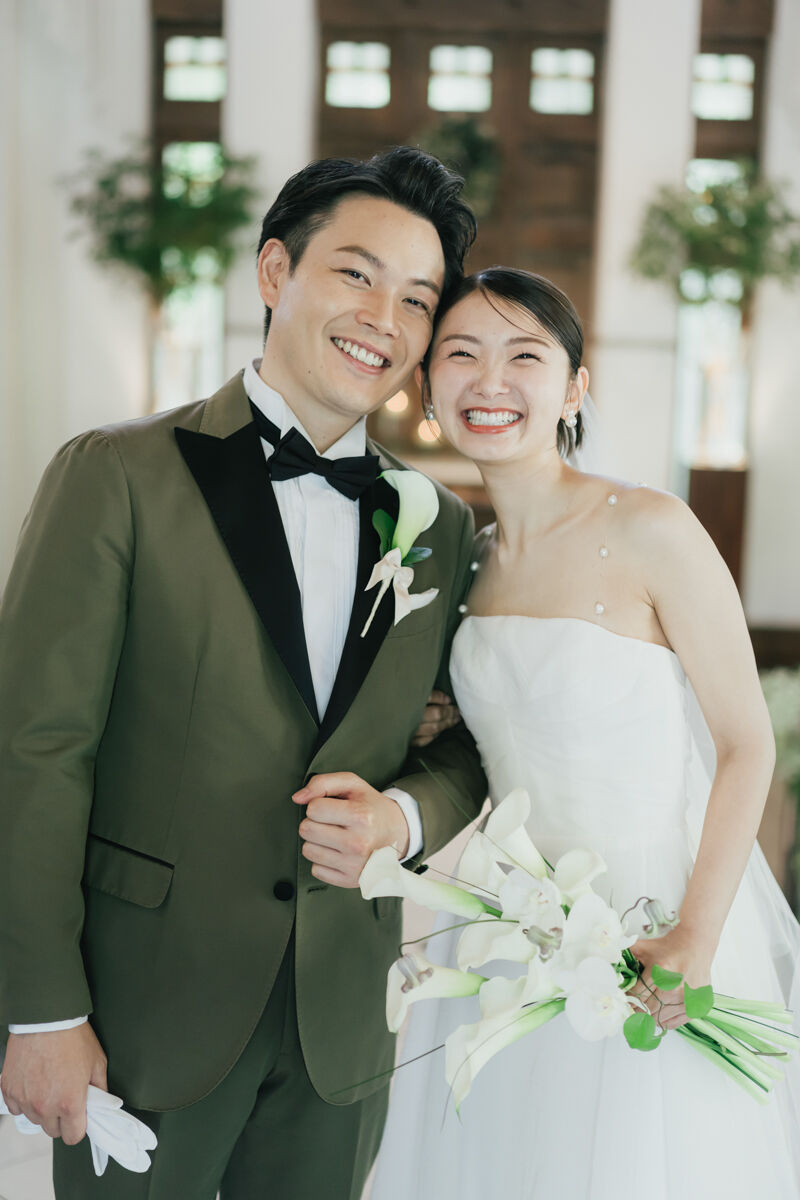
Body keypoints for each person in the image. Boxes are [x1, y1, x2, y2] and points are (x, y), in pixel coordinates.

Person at [0, 147, 489, 1199]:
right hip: (144, 1014)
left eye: (417, 299)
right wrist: (41, 1010)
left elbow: (468, 741)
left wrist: (403, 817)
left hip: (340, 1025)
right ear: (275, 271)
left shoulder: (440, 528)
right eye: (355, 274)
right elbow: (33, 752)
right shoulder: (116, 474)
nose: (384, 319)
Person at [369, 267, 800, 1199]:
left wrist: (694, 935)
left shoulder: (652, 527)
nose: (491, 380)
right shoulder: (465, 560)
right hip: (503, 929)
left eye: (524, 356)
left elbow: (746, 743)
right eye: (461, 354)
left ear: (573, 388)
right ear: (428, 390)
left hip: (653, 919)